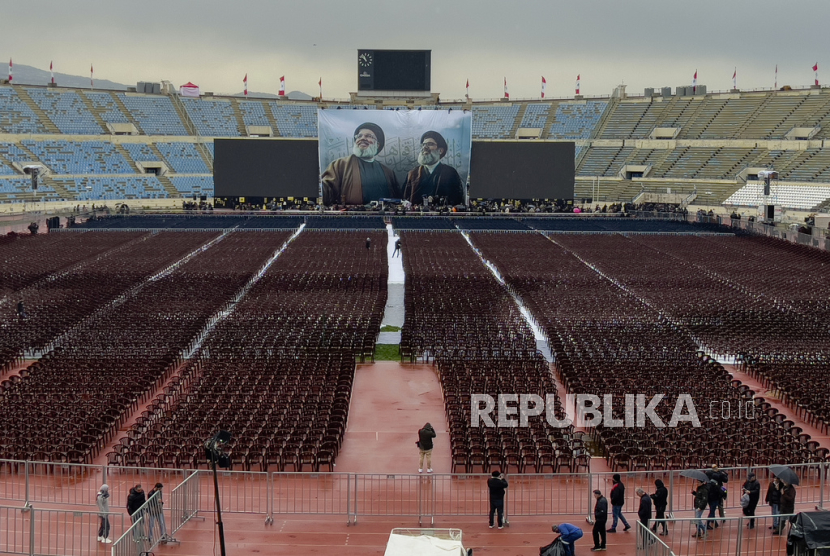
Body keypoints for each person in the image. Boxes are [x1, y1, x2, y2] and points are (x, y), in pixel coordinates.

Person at [321, 122, 401, 205]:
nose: (362, 138)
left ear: (377, 145)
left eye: (369, 136)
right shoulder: (340, 165)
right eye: (359, 136)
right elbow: (325, 192)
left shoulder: (388, 173)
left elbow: (397, 200)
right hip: (352, 216)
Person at [402, 131, 464, 206]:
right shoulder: (412, 174)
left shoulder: (450, 173)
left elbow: (456, 199)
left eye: (430, 144)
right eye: (423, 144)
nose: (425, 147)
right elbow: (405, 199)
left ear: (440, 150)